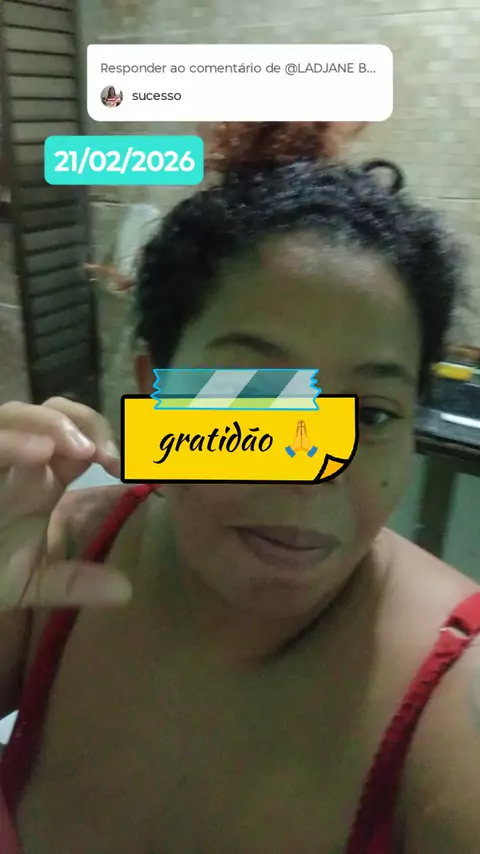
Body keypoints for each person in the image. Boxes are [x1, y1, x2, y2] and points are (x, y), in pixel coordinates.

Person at [0, 122, 479, 854]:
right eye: (253, 398)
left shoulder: (453, 692)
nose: (310, 474)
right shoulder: (58, 556)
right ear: (155, 389)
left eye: (372, 414)